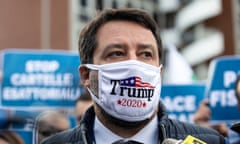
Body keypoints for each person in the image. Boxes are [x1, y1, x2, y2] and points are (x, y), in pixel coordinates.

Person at [41, 8, 228, 144]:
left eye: (146, 54)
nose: (134, 64)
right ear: (86, 75)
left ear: (159, 73)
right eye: (116, 53)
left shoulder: (211, 142)